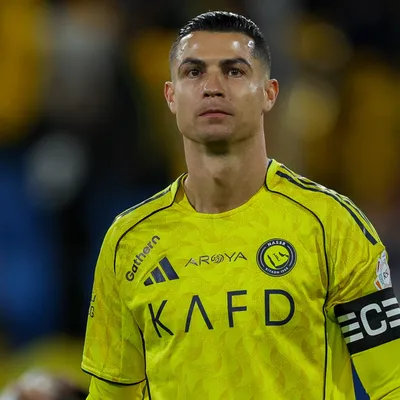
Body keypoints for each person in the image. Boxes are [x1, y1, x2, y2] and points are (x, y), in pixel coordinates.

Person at [81, 11, 400, 399]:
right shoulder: (129, 242)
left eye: (234, 71)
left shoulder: (330, 225)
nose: (212, 87)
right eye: (193, 72)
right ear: (170, 96)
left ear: (269, 93)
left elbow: (392, 382)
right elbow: (110, 394)